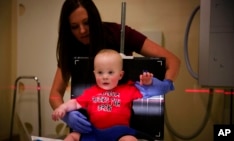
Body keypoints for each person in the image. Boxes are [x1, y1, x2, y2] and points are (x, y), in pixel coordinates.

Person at [49, 0, 180, 134]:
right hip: (88, 128)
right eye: (74, 26)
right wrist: (65, 115)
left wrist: (166, 84)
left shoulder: (117, 33)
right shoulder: (70, 46)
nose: (82, 30)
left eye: (87, 22)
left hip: (126, 127)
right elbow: (54, 94)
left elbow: (173, 61)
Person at [52, 49, 152, 141]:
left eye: (110, 72)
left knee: (130, 140)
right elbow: (75, 103)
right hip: (94, 133)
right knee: (72, 137)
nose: (105, 77)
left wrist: (147, 83)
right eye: (100, 72)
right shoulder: (91, 92)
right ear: (94, 74)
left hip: (119, 133)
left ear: (120, 75)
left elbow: (147, 92)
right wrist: (63, 108)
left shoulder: (128, 89)